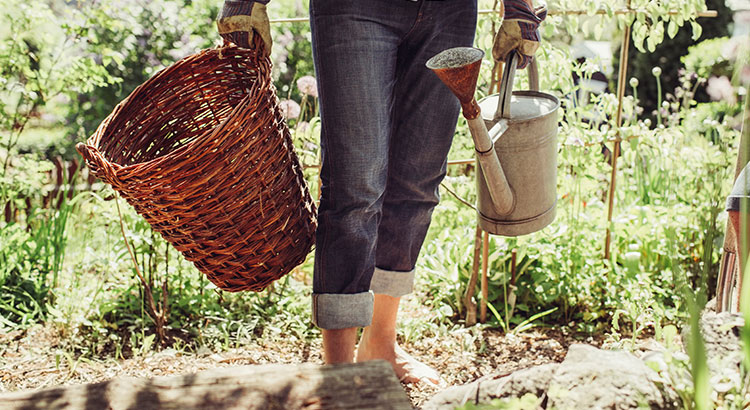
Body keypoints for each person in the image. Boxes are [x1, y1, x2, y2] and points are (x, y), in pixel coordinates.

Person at [218, 0, 545, 385]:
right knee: (355, 183)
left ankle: (380, 344)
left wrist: (518, 6)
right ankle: (337, 371)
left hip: (449, 12)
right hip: (354, 8)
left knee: (418, 179)